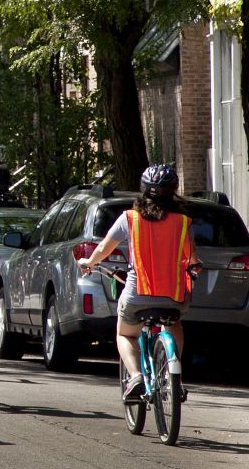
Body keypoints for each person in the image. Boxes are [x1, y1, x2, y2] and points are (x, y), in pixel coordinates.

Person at [78, 165, 201, 401]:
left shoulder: (129, 218)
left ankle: (135, 376)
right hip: (172, 295)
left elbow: (104, 248)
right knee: (174, 324)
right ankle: (172, 376)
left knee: (125, 334)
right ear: (173, 191)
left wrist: (89, 262)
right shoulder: (183, 222)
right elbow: (192, 258)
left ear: (143, 190)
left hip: (138, 293)